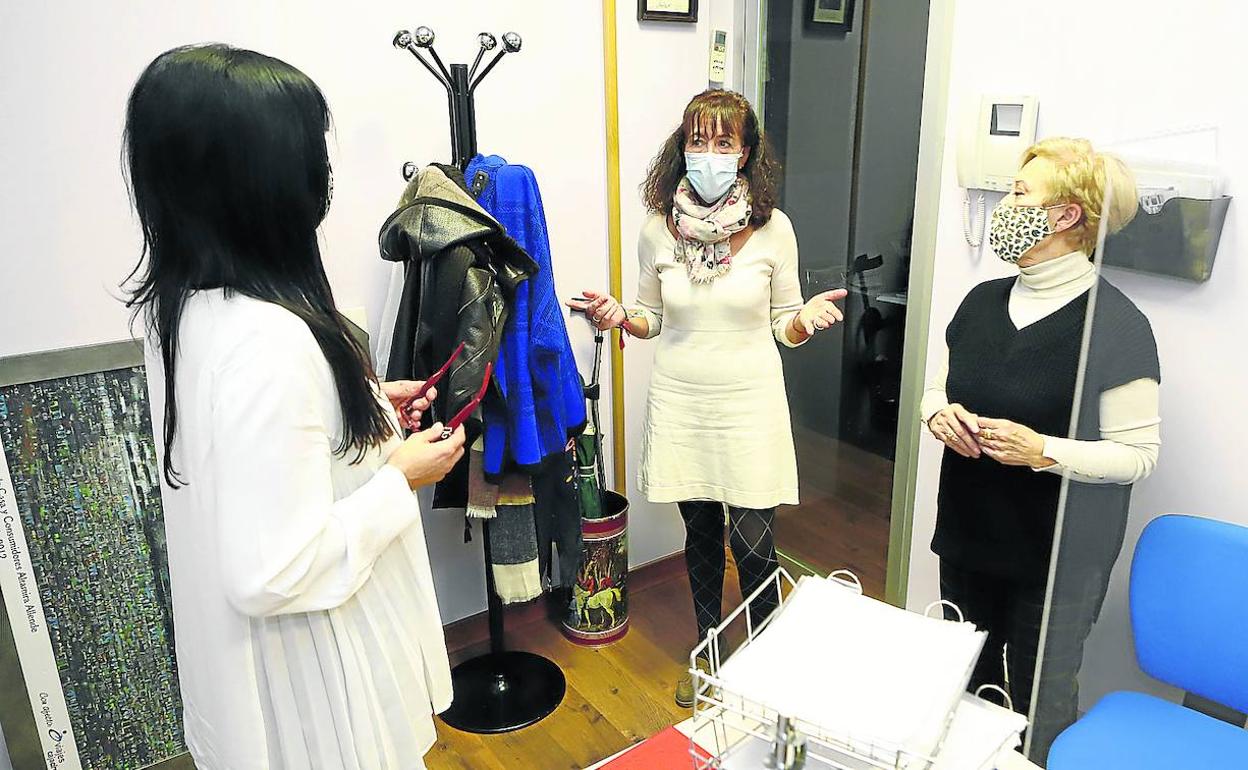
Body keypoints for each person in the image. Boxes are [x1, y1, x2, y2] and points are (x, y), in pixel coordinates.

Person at [123, 45, 465, 769]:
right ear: (261, 182)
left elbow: (255, 459)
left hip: (262, 668)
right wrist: (399, 476)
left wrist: (359, 409)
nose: (324, 173)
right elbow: (273, 569)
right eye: (311, 151)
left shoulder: (181, 311)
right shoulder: (268, 342)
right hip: (313, 677)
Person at [569, 90, 846, 707]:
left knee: (754, 545)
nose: (709, 153)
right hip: (682, 403)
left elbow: (783, 322)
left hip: (750, 405)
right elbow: (650, 317)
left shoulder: (774, 229)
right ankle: (708, 654)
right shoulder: (656, 229)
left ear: (745, 154)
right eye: (699, 140)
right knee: (699, 535)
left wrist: (805, 321)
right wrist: (620, 315)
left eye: (724, 142)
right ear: (682, 147)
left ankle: (766, 668)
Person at [922, 137, 1161, 759]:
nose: (1005, 204)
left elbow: (1138, 456)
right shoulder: (980, 302)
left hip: (1057, 560)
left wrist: (1045, 451)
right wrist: (937, 415)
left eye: (1019, 192)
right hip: (970, 536)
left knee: (1038, 707)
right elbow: (936, 388)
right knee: (964, 690)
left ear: (1065, 215)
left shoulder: (1118, 327)